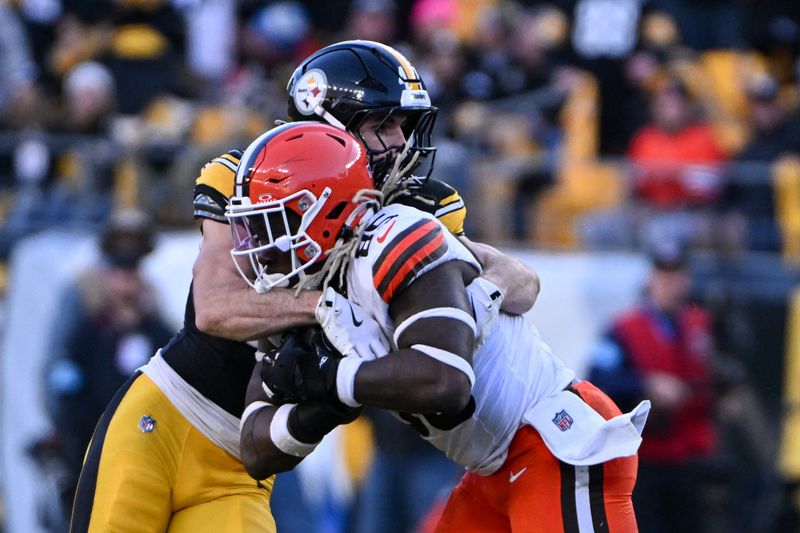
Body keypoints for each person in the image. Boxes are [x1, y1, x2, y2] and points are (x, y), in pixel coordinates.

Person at [69, 40, 538, 532]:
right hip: (165, 422)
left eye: (402, 124)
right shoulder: (254, 178)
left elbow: (521, 281)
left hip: (241, 466)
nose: (400, 141)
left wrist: (477, 299)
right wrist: (331, 307)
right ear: (327, 122)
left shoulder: (415, 207)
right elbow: (216, 308)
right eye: (383, 124)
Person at [233, 121, 649, 532]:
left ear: (323, 211)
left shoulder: (392, 240)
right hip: (490, 468)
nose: (256, 248)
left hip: (550, 442)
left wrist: (332, 378)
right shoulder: (298, 291)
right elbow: (255, 448)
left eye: (270, 223)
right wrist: (321, 408)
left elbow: (446, 380)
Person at [587, 242, 718, 533]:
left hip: (692, 455)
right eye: (662, 275)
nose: (669, 284)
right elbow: (597, 379)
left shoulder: (701, 323)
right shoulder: (623, 328)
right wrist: (646, 383)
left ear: (687, 280)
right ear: (651, 279)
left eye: (676, 276)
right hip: (645, 456)